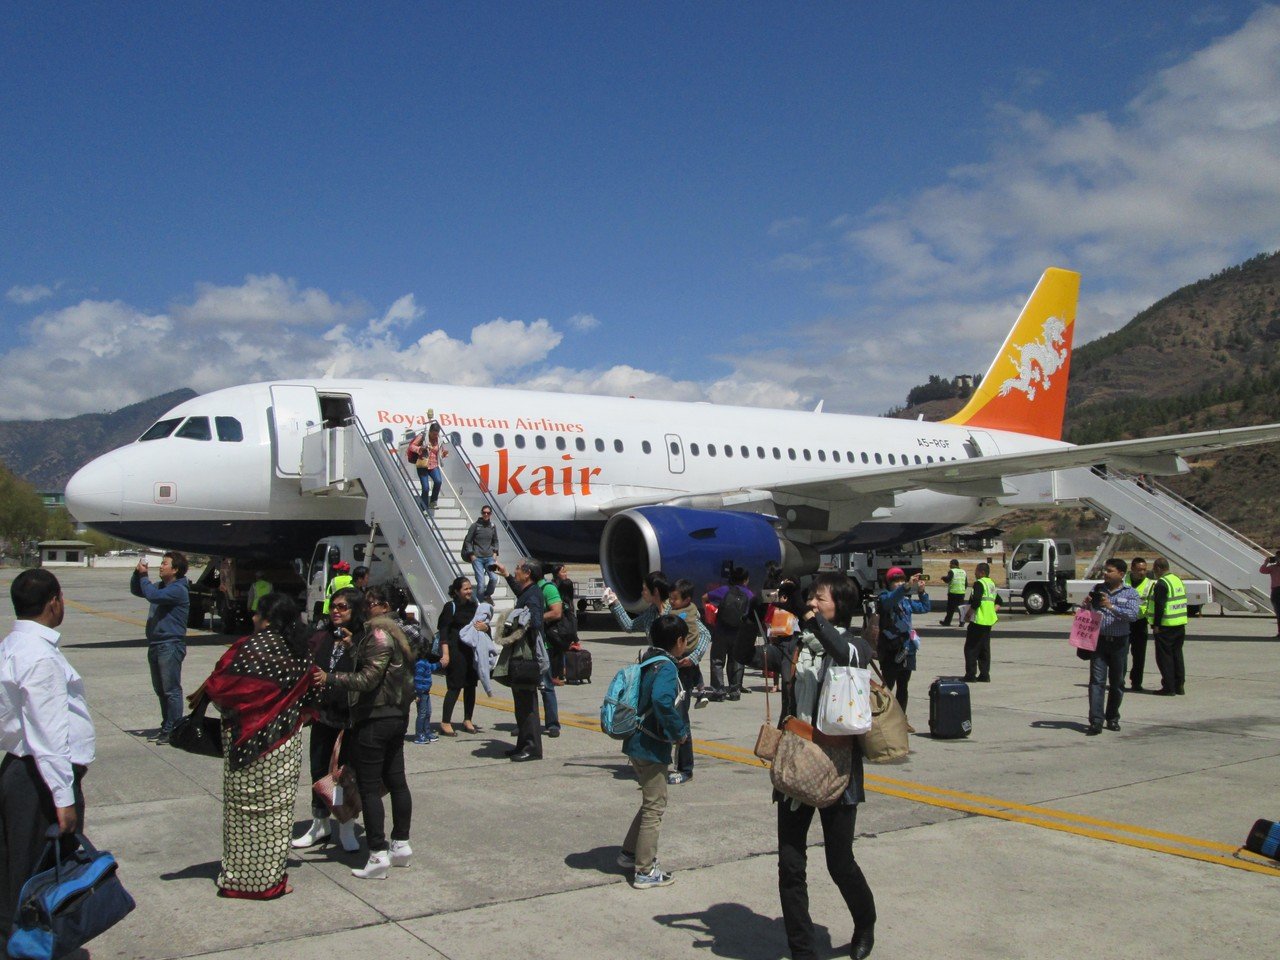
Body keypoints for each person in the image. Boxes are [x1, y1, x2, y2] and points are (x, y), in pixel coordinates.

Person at [775, 572, 877, 960]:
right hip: (797, 760)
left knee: (840, 862)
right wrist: (754, 609)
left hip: (837, 767)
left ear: (841, 606)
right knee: (790, 864)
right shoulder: (799, 645)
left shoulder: (855, 646)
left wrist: (808, 616)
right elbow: (756, 656)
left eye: (820, 598)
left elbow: (842, 651)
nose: (813, 603)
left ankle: (865, 921)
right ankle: (802, 949)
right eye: (811, 598)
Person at [204, 592, 322, 898]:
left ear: (268, 618)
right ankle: (270, 880)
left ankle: (237, 880)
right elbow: (312, 693)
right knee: (276, 815)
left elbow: (219, 686)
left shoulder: (248, 647)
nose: (253, 618)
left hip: (244, 743)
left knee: (240, 813)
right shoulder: (300, 650)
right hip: (282, 744)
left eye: (257, 614)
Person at [1, 570, 95, 944]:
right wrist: (64, 797)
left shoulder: (13, 645)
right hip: (40, 778)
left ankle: (17, 942)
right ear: (54, 602)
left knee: (15, 871)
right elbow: (49, 735)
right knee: (37, 877)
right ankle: (27, 946)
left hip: (21, 769)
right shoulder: (40, 657)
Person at [316, 586, 415, 879]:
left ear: (384, 606)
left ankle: (377, 853)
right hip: (397, 714)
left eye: (371, 603)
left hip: (376, 717)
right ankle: (400, 844)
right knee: (396, 780)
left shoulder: (378, 633)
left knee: (370, 788)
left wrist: (330, 677)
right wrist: (353, 648)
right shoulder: (400, 630)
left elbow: (369, 678)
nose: (366, 607)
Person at [616, 615, 690, 889]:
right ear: (679, 641)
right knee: (655, 807)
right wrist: (679, 732)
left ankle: (629, 853)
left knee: (650, 801)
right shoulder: (667, 667)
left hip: (636, 741)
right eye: (685, 640)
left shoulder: (648, 660)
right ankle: (645, 870)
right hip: (651, 746)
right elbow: (661, 700)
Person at [294, 587, 361, 852]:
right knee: (319, 769)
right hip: (323, 714)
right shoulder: (323, 636)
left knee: (344, 775)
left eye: (342, 607)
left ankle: (345, 824)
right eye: (333, 606)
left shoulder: (363, 638)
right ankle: (320, 823)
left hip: (349, 717)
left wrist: (352, 647)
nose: (336, 611)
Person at [130, 551, 190, 744]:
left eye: (165, 563)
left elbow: (152, 596)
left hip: (170, 644)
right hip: (156, 643)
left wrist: (144, 576)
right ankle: (166, 726)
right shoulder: (160, 587)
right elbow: (138, 590)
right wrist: (137, 574)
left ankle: (174, 729)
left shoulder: (177, 589)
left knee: (171, 689)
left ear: (175, 569)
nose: (161, 566)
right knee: (161, 689)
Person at [494, 560, 546, 761]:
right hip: (521, 654)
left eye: (517, 568)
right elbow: (520, 593)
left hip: (527, 656)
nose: (515, 570)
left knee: (527, 703)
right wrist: (507, 575)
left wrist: (517, 620)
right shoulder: (528, 592)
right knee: (521, 703)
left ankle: (532, 748)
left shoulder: (533, 595)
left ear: (528, 573)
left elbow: (536, 621)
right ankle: (523, 744)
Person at [1082, 559, 1141, 736]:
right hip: (1099, 642)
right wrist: (1086, 605)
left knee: (1117, 683)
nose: (1105, 574)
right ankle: (1096, 721)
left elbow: (1132, 615)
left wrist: (1111, 606)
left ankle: (1112, 717)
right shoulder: (1098, 589)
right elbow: (1089, 612)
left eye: (1110, 571)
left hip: (1119, 643)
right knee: (1096, 682)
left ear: (1121, 574)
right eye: (1105, 570)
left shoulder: (1130, 593)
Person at [666, 578, 710, 784]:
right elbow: (630, 625)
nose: (671, 601)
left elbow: (705, 635)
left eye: (675, 598)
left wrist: (692, 658)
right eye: (669, 597)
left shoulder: (689, 616)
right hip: (667, 668)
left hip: (683, 670)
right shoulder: (662, 612)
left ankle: (685, 768)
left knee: (681, 718)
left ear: (686, 600)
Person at [877, 567, 928, 726]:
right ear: (888, 583)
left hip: (907, 648)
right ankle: (883, 719)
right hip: (891, 648)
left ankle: (901, 720)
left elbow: (924, 607)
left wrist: (921, 592)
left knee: (903, 686)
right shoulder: (884, 597)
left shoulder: (906, 601)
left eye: (901, 580)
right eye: (895, 581)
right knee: (888, 685)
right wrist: (905, 587)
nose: (899, 584)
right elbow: (889, 601)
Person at [436, 576, 481, 736]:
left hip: (471, 651)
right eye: (465, 589)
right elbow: (444, 631)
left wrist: (484, 627)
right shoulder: (451, 607)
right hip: (456, 650)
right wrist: (445, 654)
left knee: (471, 686)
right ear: (456, 591)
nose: (469, 591)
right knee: (454, 686)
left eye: (470, 588)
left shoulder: (474, 606)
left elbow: (482, 626)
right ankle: (445, 721)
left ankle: (468, 719)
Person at [703, 567, 755, 701]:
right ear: (745, 580)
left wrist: (709, 613)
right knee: (736, 660)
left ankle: (718, 692)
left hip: (721, 629)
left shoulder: (724, 590)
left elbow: (705, 597)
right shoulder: (749, 594)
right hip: (739, 631)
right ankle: (735, 691)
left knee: (717, 660)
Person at [1150, 557, 1188, 696]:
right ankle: (1179, 685)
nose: (1154, 572)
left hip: (1166, 626)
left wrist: (1156, 625)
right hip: (1179, 624)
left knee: (1164, 658)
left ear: (1158, 568)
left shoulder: (1162, 583)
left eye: (1154, 569)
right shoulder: (1177, 580)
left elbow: (1159, 606)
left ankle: (1168, 687)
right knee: (1177, 655)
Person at [406, 605, 440, 744]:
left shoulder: (424, 662)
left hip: (426, 691)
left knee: (428, 712)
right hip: (421, 692)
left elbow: (431, 668)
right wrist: (418, 693)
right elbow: (418, 679)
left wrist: (440, 664)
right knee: (422, 713)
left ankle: (426, 731)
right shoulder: (420, 663)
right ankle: (419, 734)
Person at [536, 563, 563, 738]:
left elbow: (557, 612)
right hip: (529, 645)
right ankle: (527, 723)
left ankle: (553, 724)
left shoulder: (548, 588)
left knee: (547, 686)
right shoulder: (527, 589)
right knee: (527, 687)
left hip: (544, 646)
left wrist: (534, 618)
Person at [961, 562, 998, 683]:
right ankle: (984, 675)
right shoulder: (991, 584)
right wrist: (992, 611)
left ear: (982, 572)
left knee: (971, 648)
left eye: (976, 571)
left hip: (978, 620)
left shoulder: (979, 583)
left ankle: (971, 675)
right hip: (988, 621)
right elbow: (999, 601)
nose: (975, 573)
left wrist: (968, 614)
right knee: (984, 649)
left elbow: (976, 601)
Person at [1125, 557, 1156, 691]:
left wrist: (1153, 623)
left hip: (1140, 622)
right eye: (1139, 570)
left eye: (1144, 570)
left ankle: (1136, 682)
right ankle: (1118, 680)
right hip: (1124, 622)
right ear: (1132, 569)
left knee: (1139, 656)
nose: (1142, 572)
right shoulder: (1123, 581)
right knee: (1121, 654)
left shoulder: (1150, 584)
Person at [548, 563, 578, 684]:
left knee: (561, 648)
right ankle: (555, 674)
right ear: (556, 574)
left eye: (566, 572)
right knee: (557, 648)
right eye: (563, 572)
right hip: (557, 623)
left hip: (565, 621)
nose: (565, 574)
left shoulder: (566, 584)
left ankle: (561, 671)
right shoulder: (553, 587)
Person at [462, 506, 500, 601]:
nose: (486, 514)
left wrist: (495, 552)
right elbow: (468, 541)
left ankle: (487, 595)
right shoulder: (475, 526)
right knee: (481, 583)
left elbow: (495, 540)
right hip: (477, 558)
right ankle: (480, 602)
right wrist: (471, 554)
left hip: (489, 558)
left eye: (488, 513)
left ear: (490, 514)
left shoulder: (492, 526)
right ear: (481, 513)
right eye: (484, 512)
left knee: (494, 578)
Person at [412, 422, 448, 513]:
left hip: (434, 464)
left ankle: (433, 501)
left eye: (436, 434)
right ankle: (424, 508)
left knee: (438, 481)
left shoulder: (439, 439)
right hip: (423, 464)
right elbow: (412, 446)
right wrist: (419, 449)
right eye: (433, 434)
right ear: (430, 432)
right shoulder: (423, 436)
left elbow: (440, 452)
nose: (435, 436)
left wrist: (443, 454)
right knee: (425, 488)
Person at [939, 559, 967, 626]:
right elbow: (966, 583)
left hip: (953, 592)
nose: (949, 565)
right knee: (961, 609)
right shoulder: (963, 572)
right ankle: (962, 622)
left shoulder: (952, 571)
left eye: (951, 564)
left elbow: (948, 579)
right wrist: (963, 589)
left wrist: (943, 578)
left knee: (950, 609)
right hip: (961, 593)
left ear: (954, 564)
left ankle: (947, 622)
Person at [1260, 551, 1280, 638]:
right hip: (1276, 591)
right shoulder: (1273, 567)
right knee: (1278, 613)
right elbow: (1262, 570)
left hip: (1276, 590)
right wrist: (1266, 562)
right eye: (1277, 557)